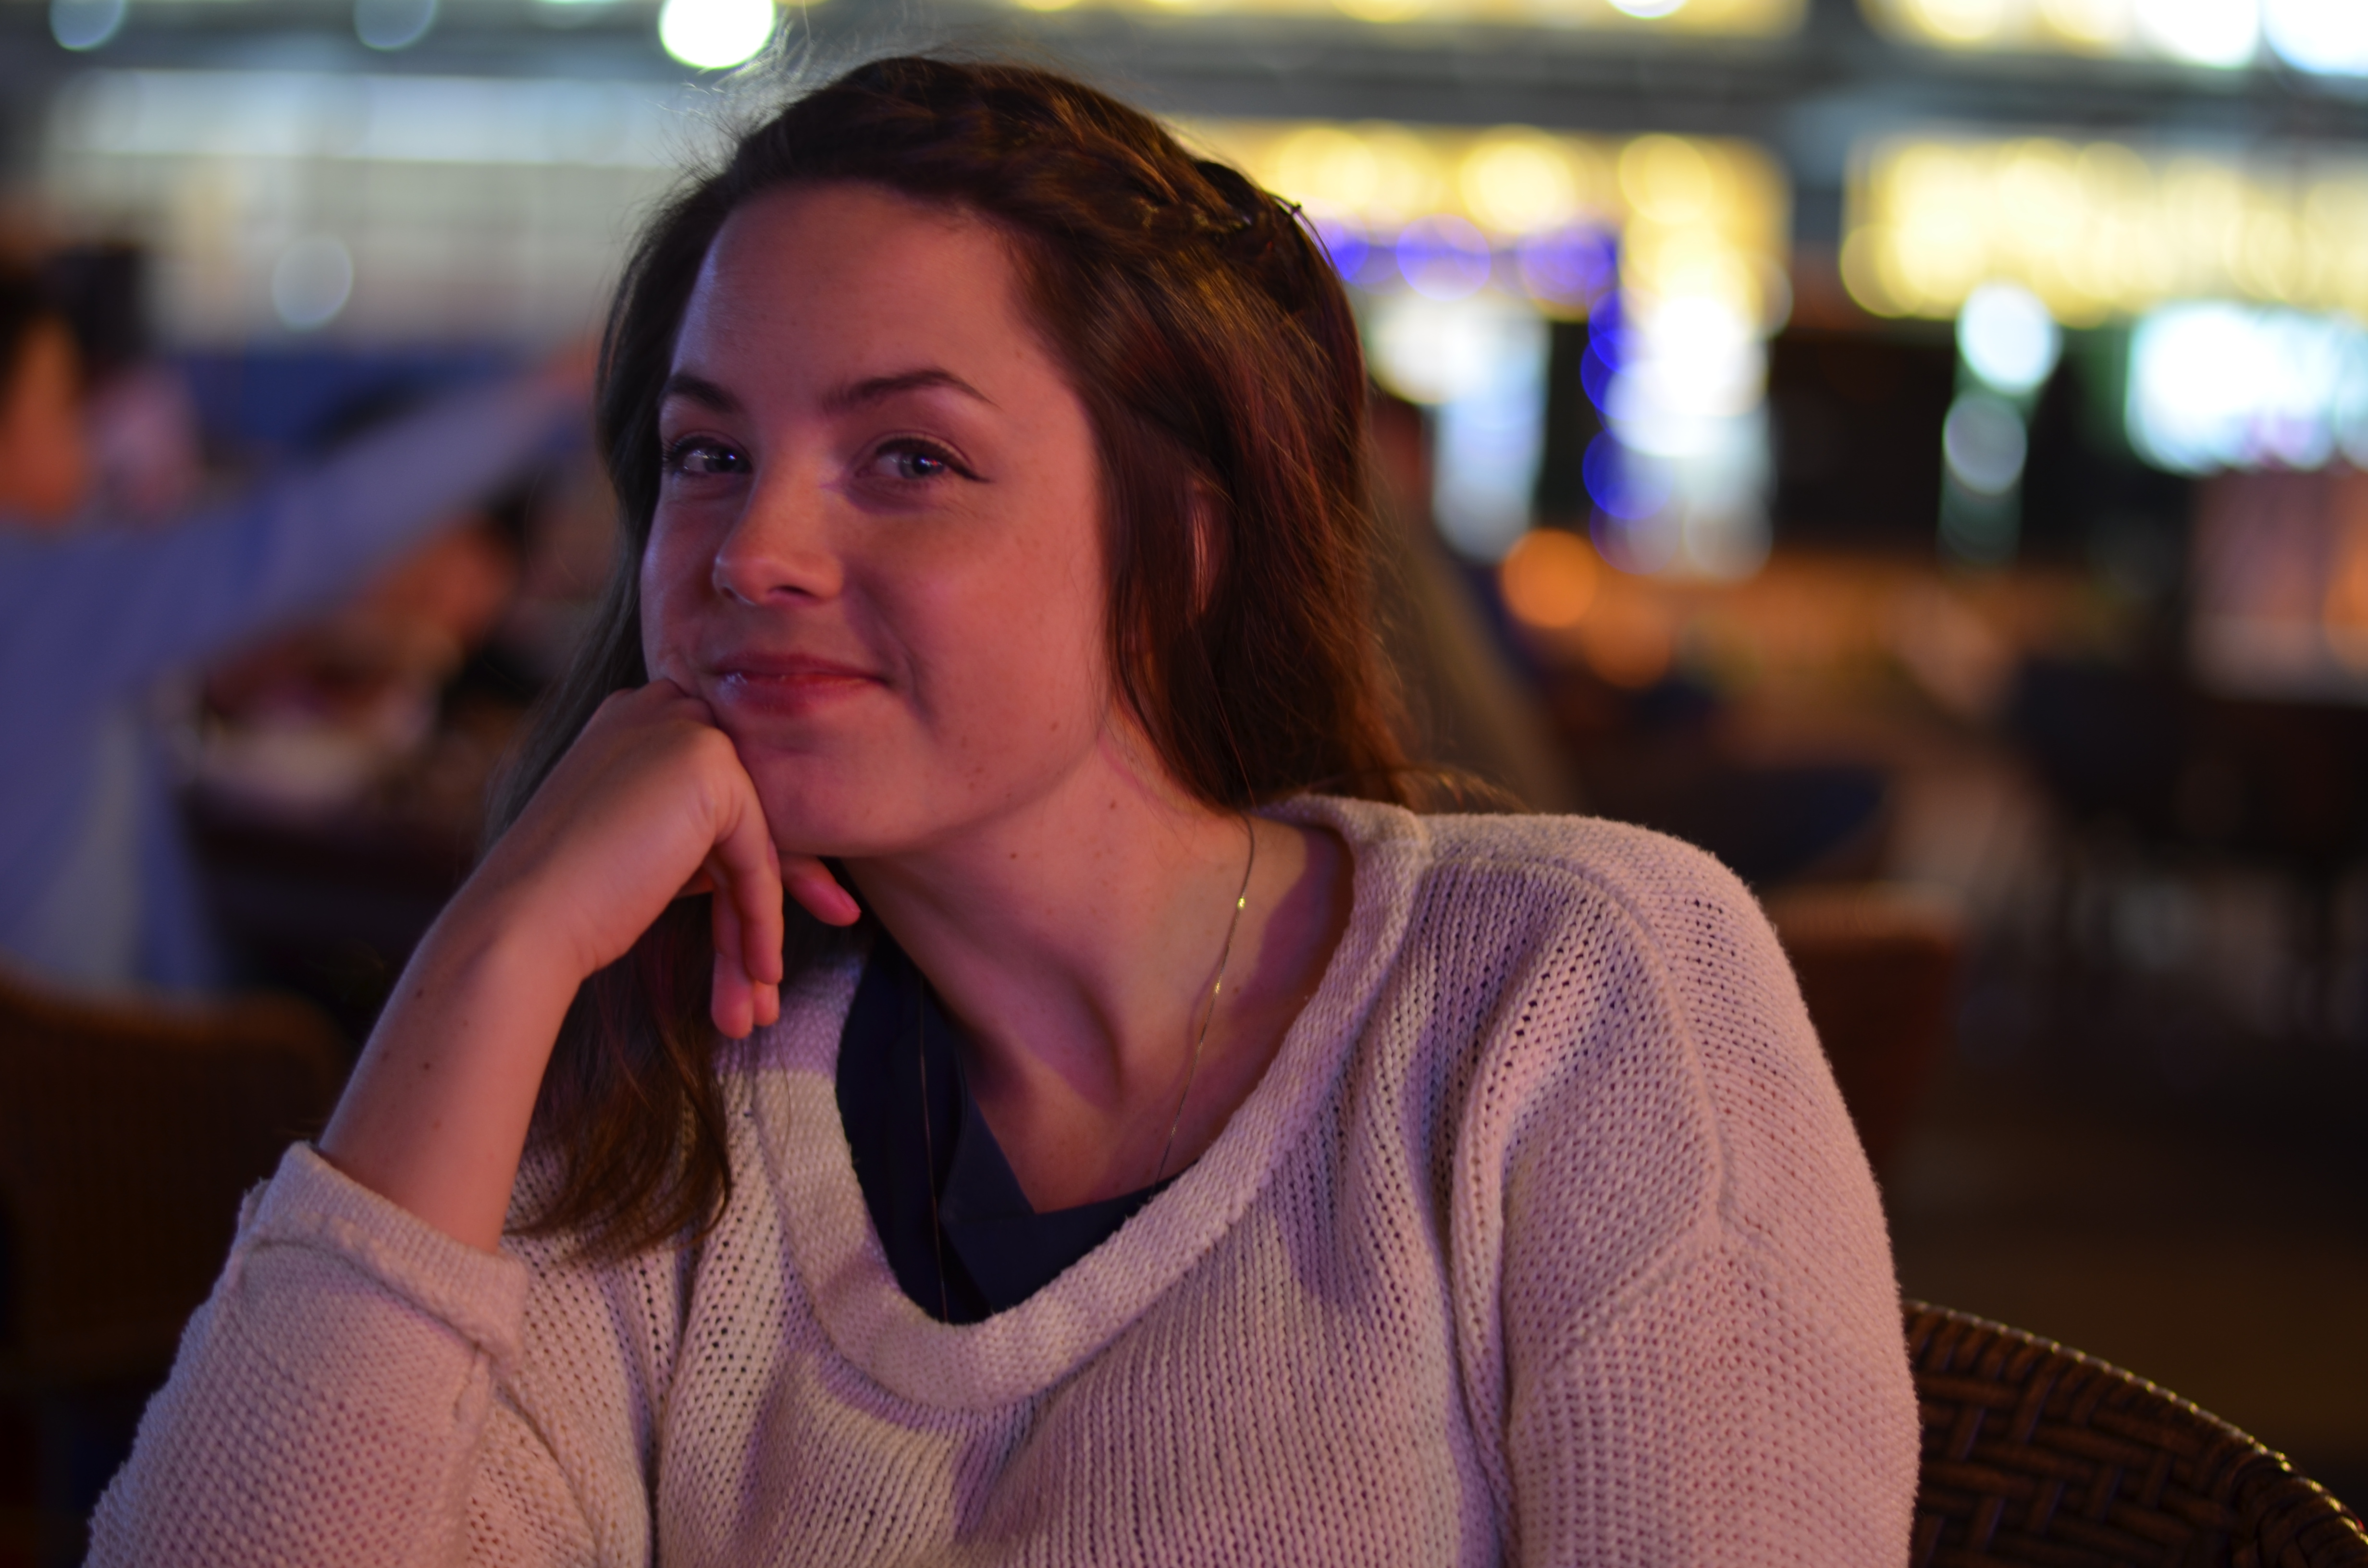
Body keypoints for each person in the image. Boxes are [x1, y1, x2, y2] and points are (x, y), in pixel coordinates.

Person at [86, 56, 1918, 1563]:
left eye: (909, 458)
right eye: (709, 453)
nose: (751, 550)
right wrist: (495, 951)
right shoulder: (673, 1113)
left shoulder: (1564, 994)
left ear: (1176, 545)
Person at [0, 268, 585, 991]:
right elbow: (305, 529)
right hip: (71, 1047)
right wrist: (544, 396)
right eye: (61, 408)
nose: (88, 444)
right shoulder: (48, 590)